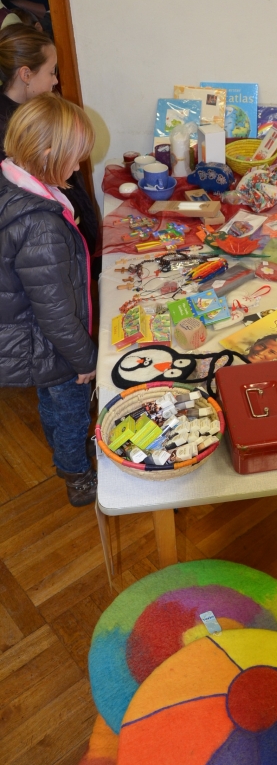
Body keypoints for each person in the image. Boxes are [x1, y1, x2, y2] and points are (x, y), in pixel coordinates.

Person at [0, 92, 97, 506]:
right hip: (52, 345)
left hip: (32, 339)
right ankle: (77, 474)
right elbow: (56, 313)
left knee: (51, 401)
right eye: (74, 159)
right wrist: (85, 360)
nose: (77, 167)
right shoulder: (41, 225)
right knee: (72, 407)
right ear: (47, 154)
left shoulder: (11, 184)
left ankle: (62, 450)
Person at [0, 25, 98, 259]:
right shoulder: (14, 128)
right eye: (51, 72)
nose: (55, 80)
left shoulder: (41, 110)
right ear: (26, 74)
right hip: (51, 245)